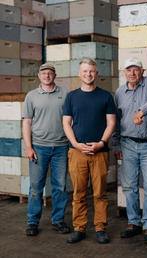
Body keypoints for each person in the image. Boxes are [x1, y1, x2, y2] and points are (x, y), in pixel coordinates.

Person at [63, 57, 116, 244]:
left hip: (99, 152)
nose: (88, 74)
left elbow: (111, 122)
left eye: (92, 71)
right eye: (85, 71)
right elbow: (66, 123)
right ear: (79, 74)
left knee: (100, 192)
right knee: (79, 192)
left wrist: (101, 143)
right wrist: (76, 144)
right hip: (77, 152)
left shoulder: (106, 96)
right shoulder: (71, 96)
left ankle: (100, 228)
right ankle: (79, 228)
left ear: (97, 74)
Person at [113, 58, 147, 244]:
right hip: (127, 144)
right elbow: (116, 122)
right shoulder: (119, 92)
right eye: (129, 70)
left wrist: (141, 111)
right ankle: (133, 223)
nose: (132, 73)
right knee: (129, 185)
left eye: (136, 70)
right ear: (124, 73)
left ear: (142, 71)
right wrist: (117, 145)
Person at [22, 63, 70, 236]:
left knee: (61, 186)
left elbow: (71, 119)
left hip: (61, 147)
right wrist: (28, 146)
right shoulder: (32, 96)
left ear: (54, 75)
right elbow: (26, 122)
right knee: (36, 186)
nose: (47, 76)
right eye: (44, 73)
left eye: (50, 73)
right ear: (39, 76)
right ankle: (32, 222)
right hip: (38, 147)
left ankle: (58, 220)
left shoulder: (65, 94)